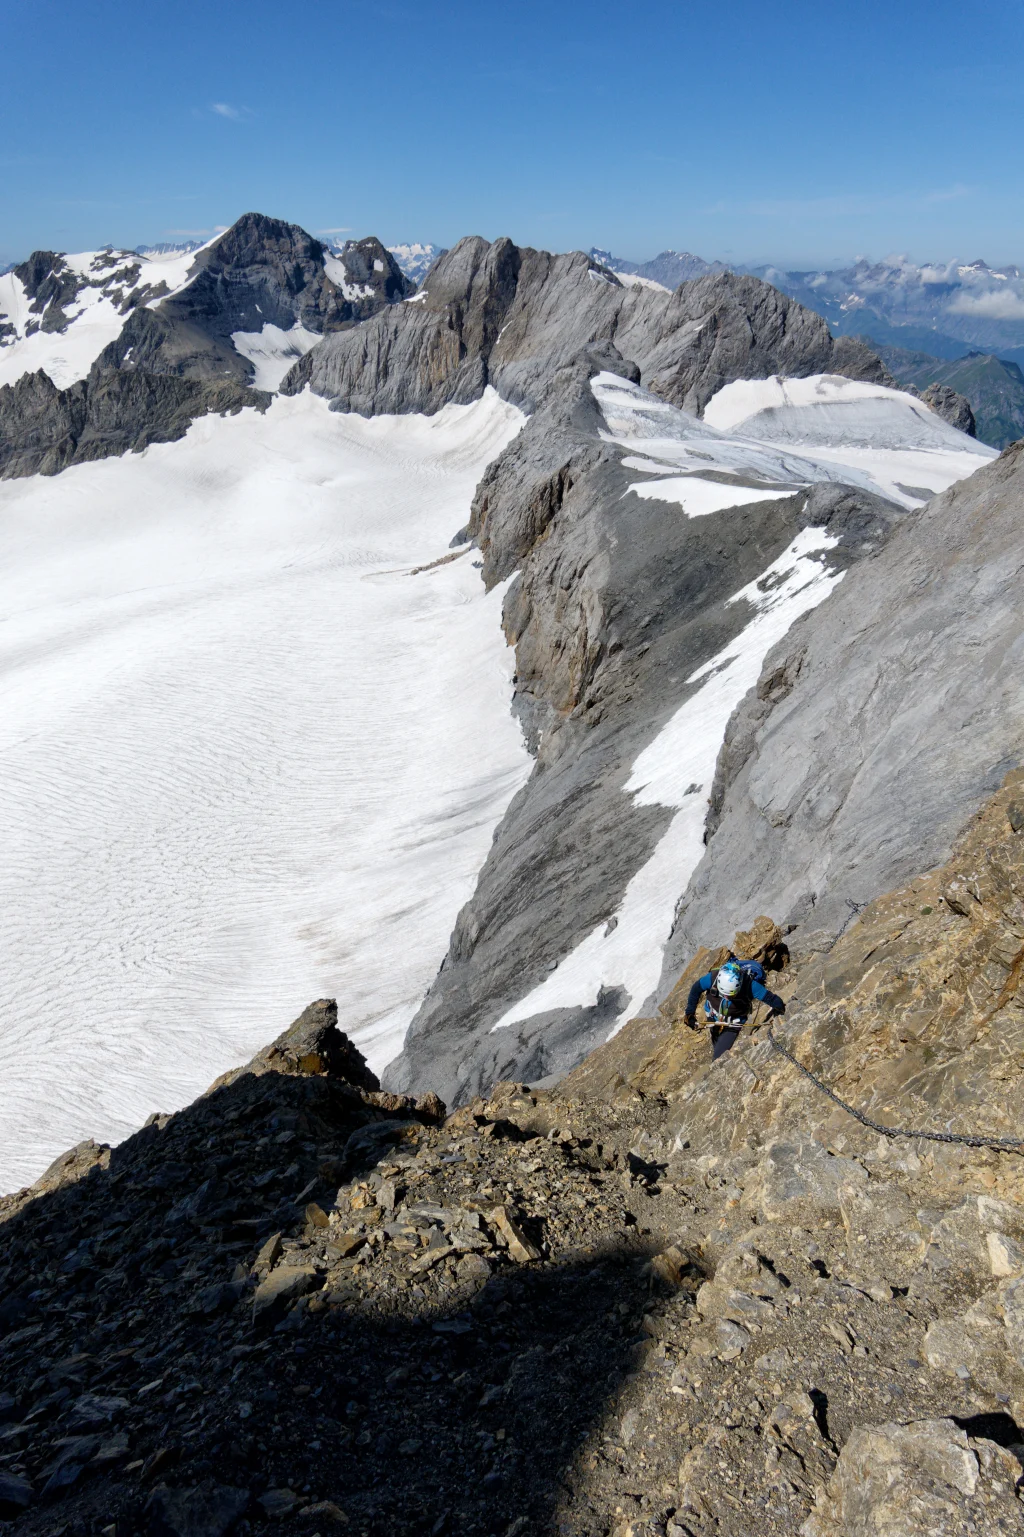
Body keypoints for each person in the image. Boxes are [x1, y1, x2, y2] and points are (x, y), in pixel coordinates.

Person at [683, 958, 785, 1060]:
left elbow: (770, 998)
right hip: (713, 1015)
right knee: (714, 1034)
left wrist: (782, 1009)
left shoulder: (750, 985)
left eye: (731, 996)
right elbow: (696, 989)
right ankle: (716, 1044)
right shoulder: (712, 977)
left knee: (719, 1056)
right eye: (724, 994)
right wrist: (689, 1013)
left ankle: (718, 1054)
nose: (726, 998)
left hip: (734, 1022)